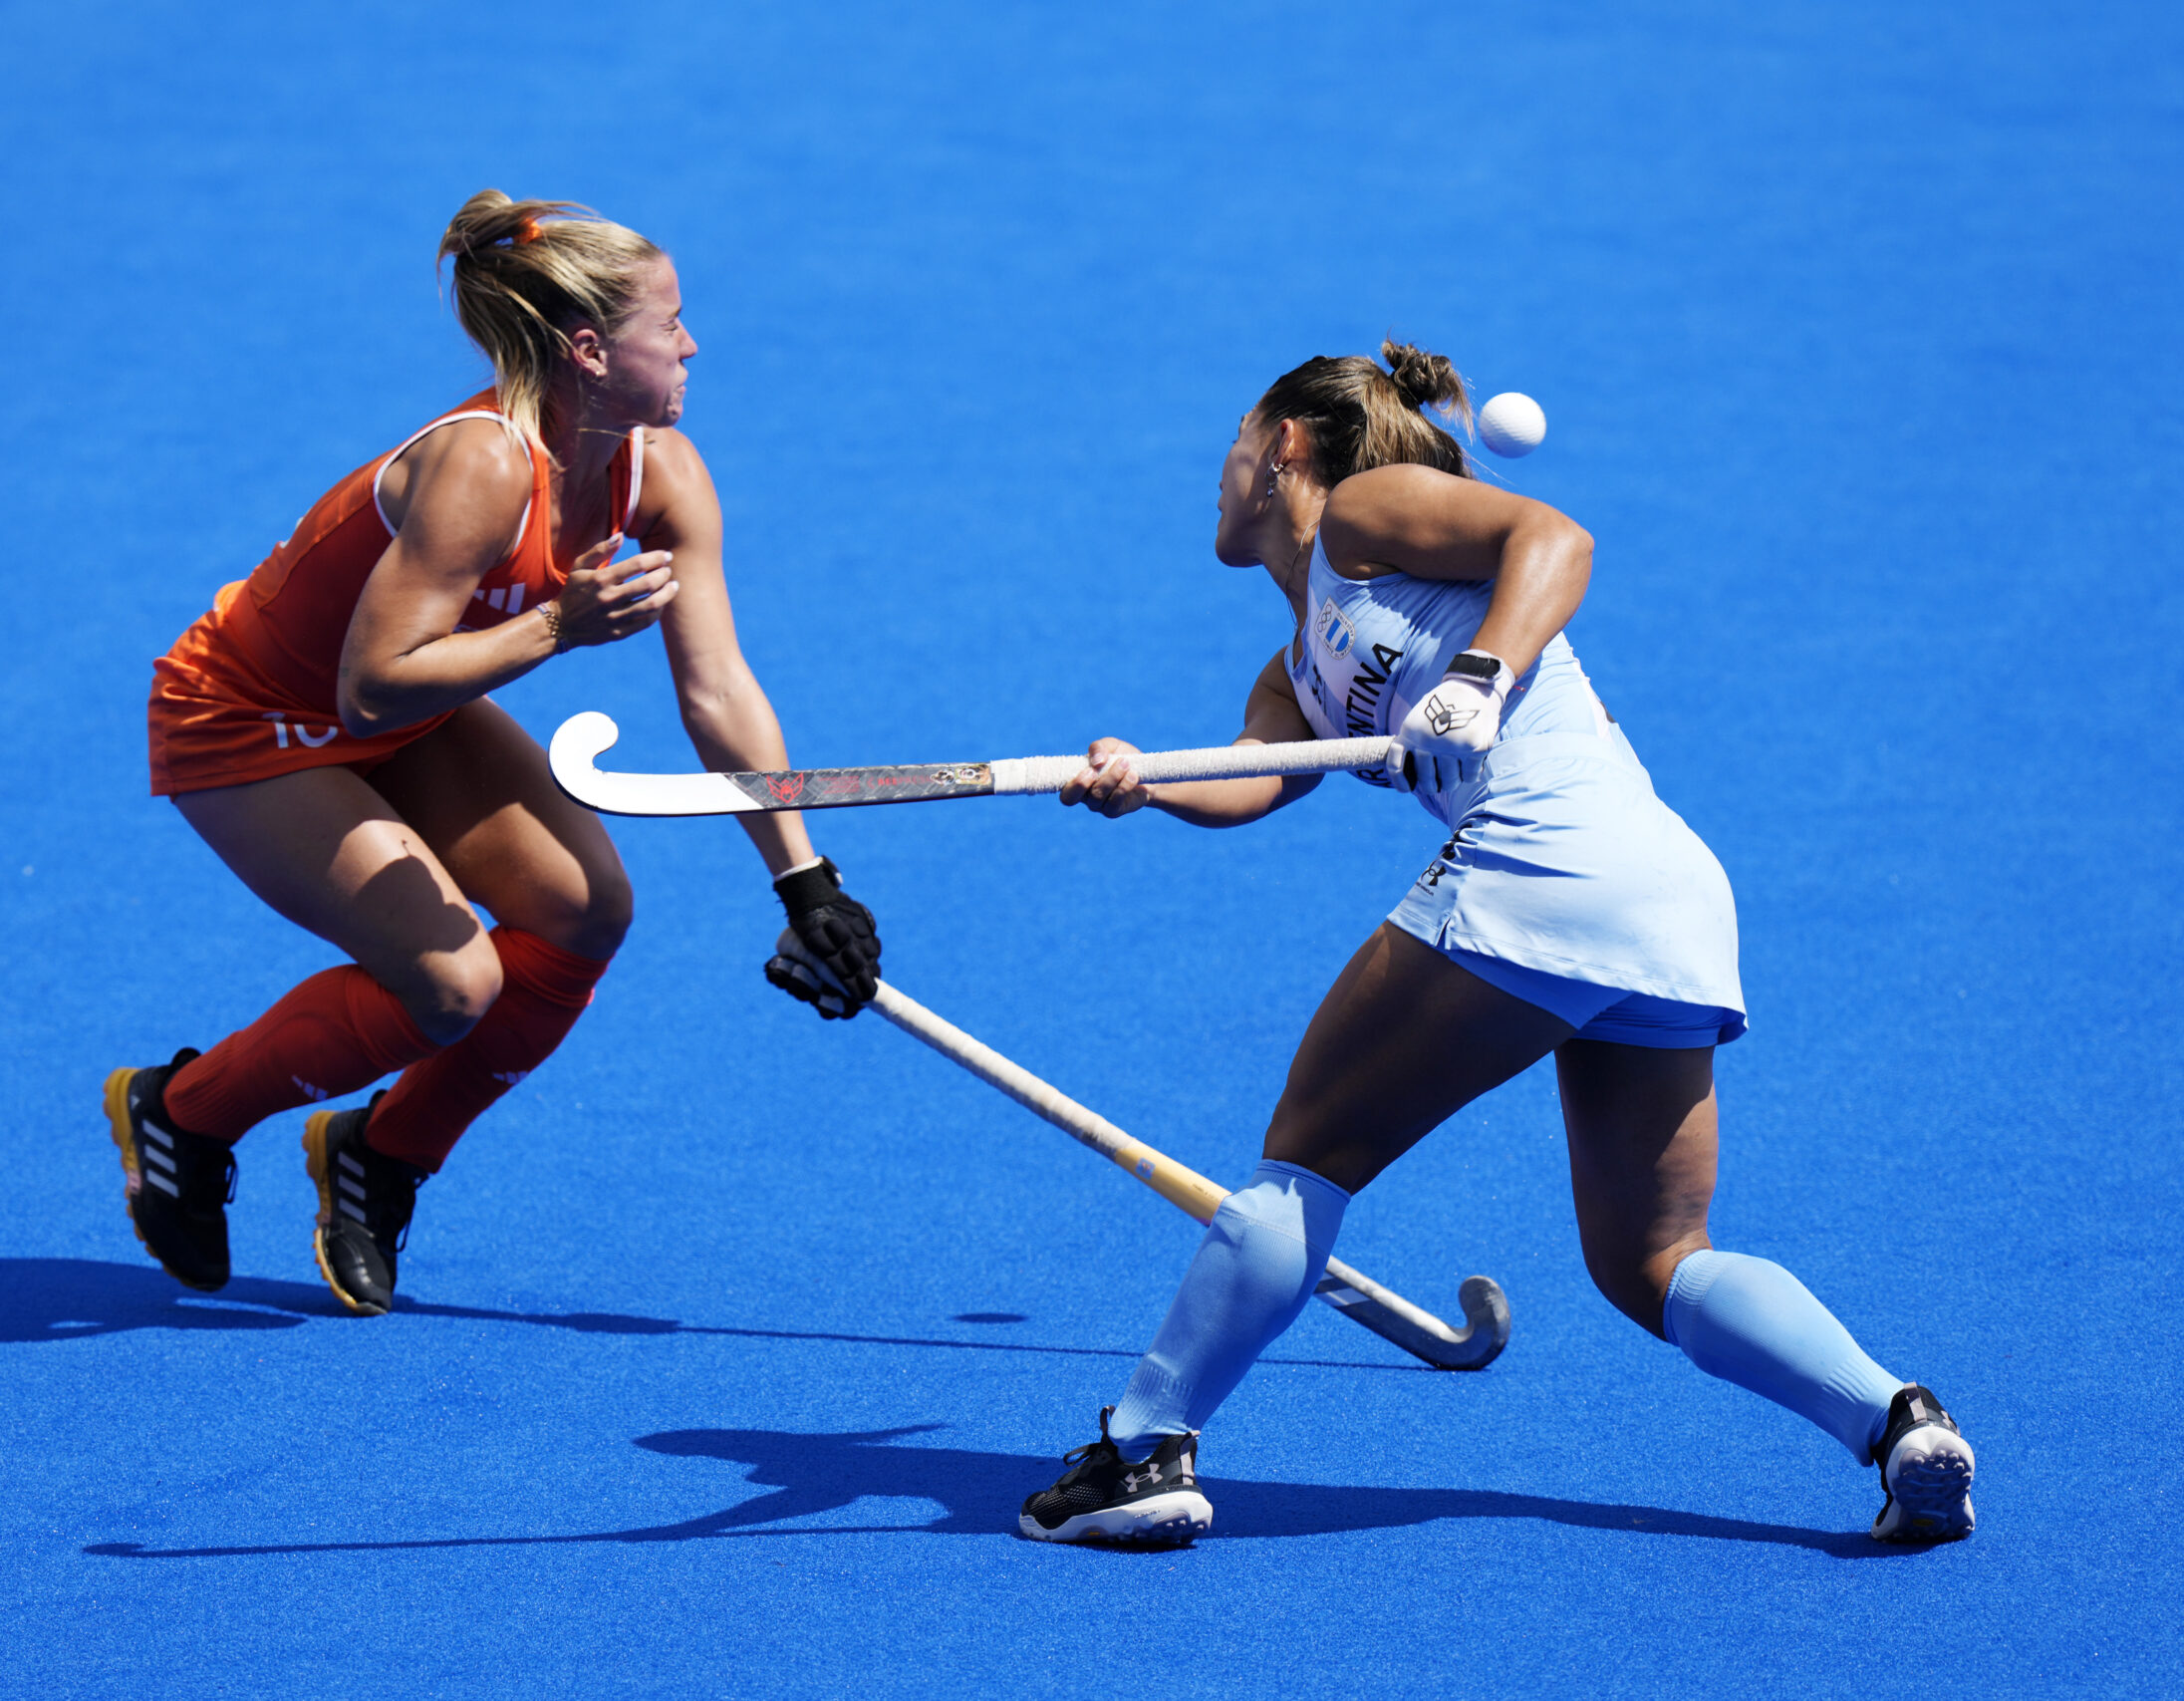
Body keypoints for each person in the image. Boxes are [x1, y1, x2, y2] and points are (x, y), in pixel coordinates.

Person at [1010, 343, 1973, 1547]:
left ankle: (1142, 1451)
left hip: (1542, 863)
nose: (1220, 471)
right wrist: (1145, 781)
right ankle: (1895, 1422)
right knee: (1653, 1260)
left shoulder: (1363, 516)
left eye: (1234, 443)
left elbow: (1553, 537)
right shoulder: (1296, 663)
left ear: (1285, 447)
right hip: (1659, 896)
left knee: (1304, 1162)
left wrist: (1477, 674)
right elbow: (1254, 776)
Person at [103, 192, 882, 1316]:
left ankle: (383, 1153)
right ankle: (184, 1113)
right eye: (670, 323)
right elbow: (368, 686)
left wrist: (804, 880)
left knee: (585, 910)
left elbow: (717, 690)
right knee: (453, 983)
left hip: (409, 713)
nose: (692, 344)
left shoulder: (663, 474)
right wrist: (558, 625)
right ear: (589, 349)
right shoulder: (481, 466)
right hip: (249, 718)